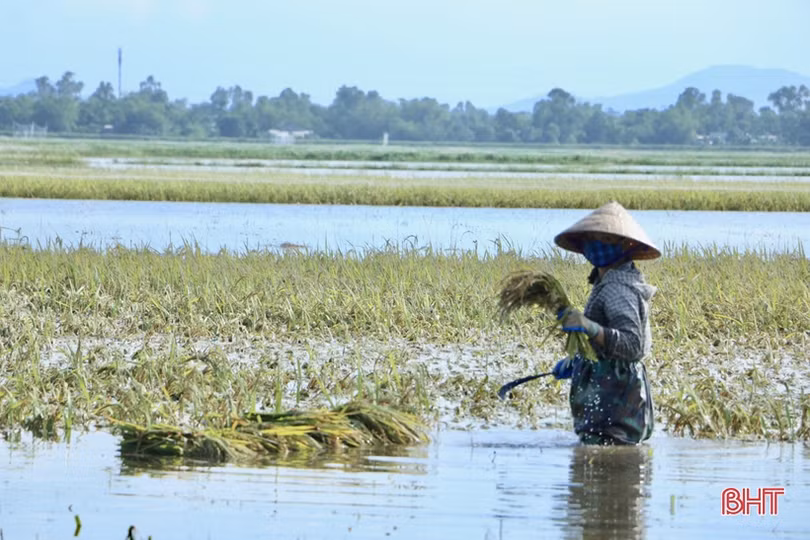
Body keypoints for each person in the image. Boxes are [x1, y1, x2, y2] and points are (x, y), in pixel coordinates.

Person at [551, 201, 659, 445]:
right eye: (593, 238)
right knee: (603, 453)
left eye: (607, 240)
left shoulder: (619, 288)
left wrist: (589, 326)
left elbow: (632, 345)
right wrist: (577, 360)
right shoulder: (606, 281)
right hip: (609, 383)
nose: (598, 245)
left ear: (626, 245)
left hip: (618, 390)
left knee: (612, 445)